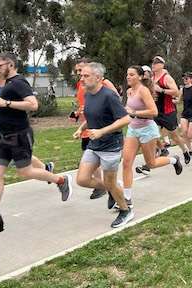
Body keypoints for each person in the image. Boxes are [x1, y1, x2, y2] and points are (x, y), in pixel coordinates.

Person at [0, 53, 72, 233]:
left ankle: (61, 180)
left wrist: (5, 102)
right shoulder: (8, 83)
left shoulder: (19, 82)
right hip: (3, 137)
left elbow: (33, 105)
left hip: (19, 136)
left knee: (25, 171)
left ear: (10, 64)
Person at [73, 62, 132, 228]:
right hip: (94, 144)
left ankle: (125, 210)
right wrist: (80, 129)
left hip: (110, 146)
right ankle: (113, 190)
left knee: (110, 183)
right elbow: (91, 117)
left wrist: (102, 131)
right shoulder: (88, 94)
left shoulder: (108, 96)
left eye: (86, 76)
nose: (81, 79)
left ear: (98, 78)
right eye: (81, 75)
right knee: (82, 179)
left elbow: (126, 119)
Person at [122, 66, 183, 207]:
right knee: (126, 163)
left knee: (151, 163)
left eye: (131, 74)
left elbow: (153, 112)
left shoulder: (143, 91)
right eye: (127, 74)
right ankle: (126, 198)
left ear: (140, 76)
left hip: (147, 130)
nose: (128, 77)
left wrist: (135, 112)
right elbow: (129, 110)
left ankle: (173, 160)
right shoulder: (129, 91)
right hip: (133, 129)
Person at [74, 58, 113, 199]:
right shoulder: (81, 85)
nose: (80, 74)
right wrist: (78, 113)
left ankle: (109, 189)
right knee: (90, 157)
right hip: (88, 125)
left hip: (104, 129)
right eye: (78, 72)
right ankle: (102, 187)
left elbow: (115, 101)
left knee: (96, 159)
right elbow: (83, 103)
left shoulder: (104, 83)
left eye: (82, 70)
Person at [150, 56, 191, 164]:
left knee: (175, 136)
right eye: (153, 62)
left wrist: (162, 90)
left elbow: (176, 92)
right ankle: (161, 150)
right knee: (151, 132)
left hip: (168, 111)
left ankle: (185, 151)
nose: (153, 64)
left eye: (156, 62)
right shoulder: (152, 77)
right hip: (156, 111)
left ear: (162, 65)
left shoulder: (166, 78)